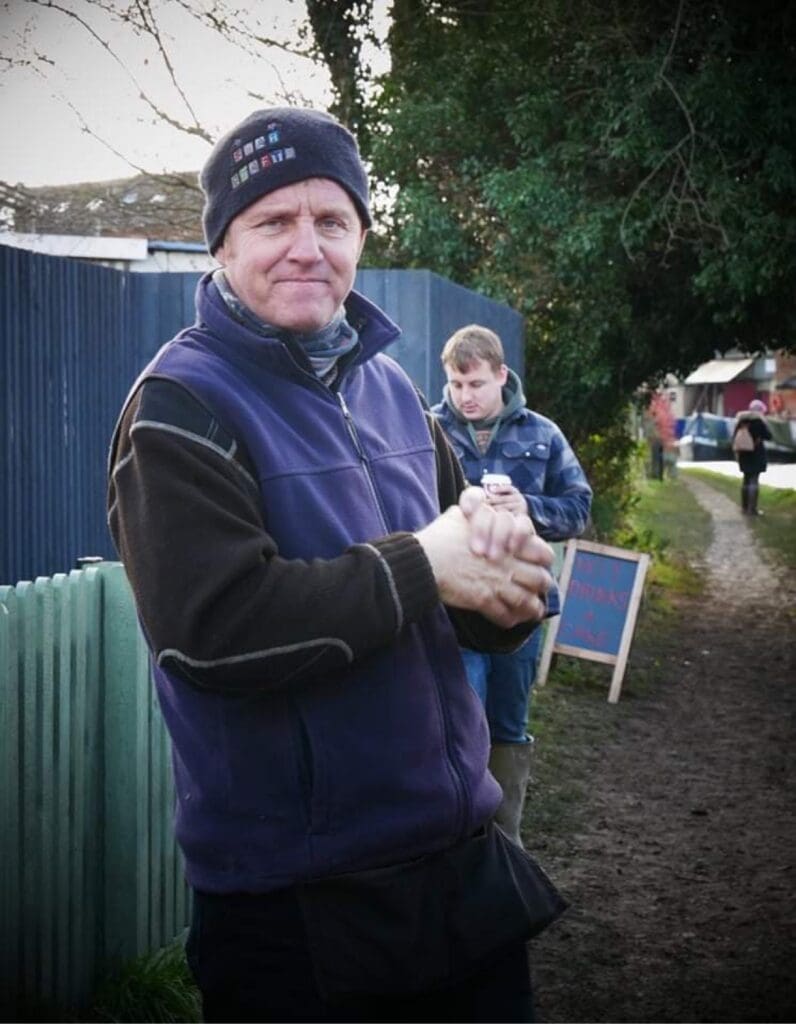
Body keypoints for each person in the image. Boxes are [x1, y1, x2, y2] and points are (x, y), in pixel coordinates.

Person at [107, 108, 563, 1023]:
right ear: (223, 245)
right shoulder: (177, 407)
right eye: (273, 222)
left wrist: (501, 585)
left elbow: (446, 584)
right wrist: (424, 568)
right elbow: (215, 637)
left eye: (332, 222)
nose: (306, 248)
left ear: (361, 235)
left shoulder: (390, 387)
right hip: (300, 902)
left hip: (458, 860)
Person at [432, 325, 592, 845]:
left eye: (475, 383)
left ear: (502, 375)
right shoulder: (426, 431)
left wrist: (530, 508)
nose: (465, 397)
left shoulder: (542, 434)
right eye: (456, 385)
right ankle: (467, 846)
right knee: (464, 724)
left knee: (507, 725)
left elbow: (579, 509)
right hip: (456, 610)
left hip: (524, 607)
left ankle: (508, 846)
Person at [732, 397, 773, 515]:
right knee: (754, 480)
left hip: (743, 454)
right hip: (756, 454)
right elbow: (769, 436)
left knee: (745, 480)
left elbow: (734, 437)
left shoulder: (741, 421)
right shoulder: (759, 421)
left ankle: (744, 508)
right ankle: (752, 509)